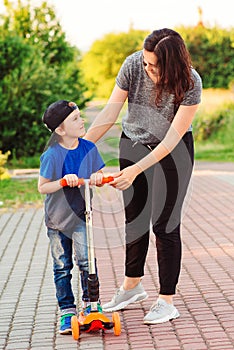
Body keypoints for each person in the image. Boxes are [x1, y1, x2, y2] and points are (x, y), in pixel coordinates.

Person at [84, 28, 202, 324]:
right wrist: (81, 149)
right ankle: (132, 286)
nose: (147, 69)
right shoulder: (133, 65)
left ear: (173, 64)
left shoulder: (191, 82)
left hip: (174, 153)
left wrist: (137, 169)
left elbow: (173, 138)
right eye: (146, 63)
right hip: (132, 143)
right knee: (134, 220)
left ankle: (166, 300)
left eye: (155, 66)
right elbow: (110, 113)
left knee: (165, 224)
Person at [38, 100, 105, 334]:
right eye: (75, 119)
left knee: (88, 261)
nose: (82, 121)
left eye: (80, 116)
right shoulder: (52, 155)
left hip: (81, 216)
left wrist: (98, 176)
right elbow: (42, 187)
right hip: (57, 222)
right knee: (62, 266)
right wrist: (63, 181)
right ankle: (67, 309)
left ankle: (92, 305)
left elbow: (97, 171)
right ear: (60, 130)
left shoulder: (88, 148)